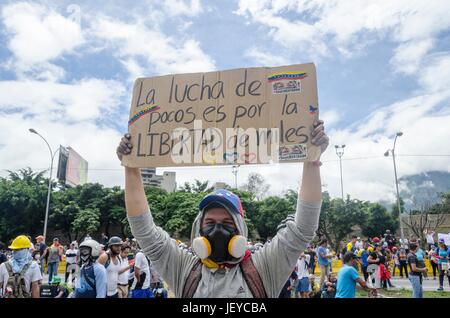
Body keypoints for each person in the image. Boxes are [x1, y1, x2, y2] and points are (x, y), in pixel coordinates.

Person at [116, 119, 329, 298]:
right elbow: (144, 231)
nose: (218, 230)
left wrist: (311, 160)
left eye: (227, 223)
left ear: (240, 231)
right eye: (210, 223)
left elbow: (302, 229)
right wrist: (131, 167)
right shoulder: (184, 268)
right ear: (199, 230)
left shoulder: (264, 267)